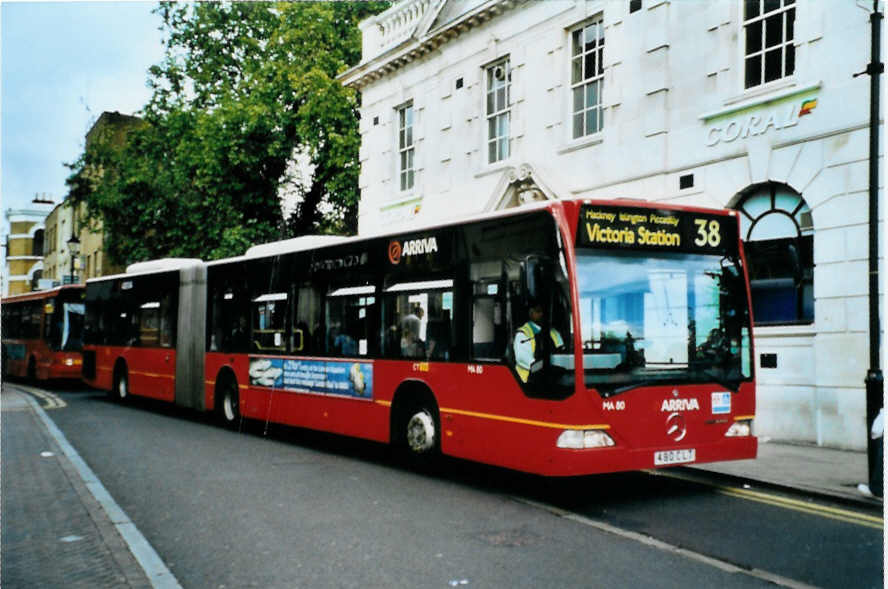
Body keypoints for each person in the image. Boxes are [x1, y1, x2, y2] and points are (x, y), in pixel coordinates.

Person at [513, 301, 564, 383]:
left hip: (552, 378)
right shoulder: (523, 333)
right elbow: (523, 359)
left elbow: (561, 353)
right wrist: (544, 366)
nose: (541, 314)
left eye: (543, 312)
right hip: (527, 381)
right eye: (538, 311)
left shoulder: (554, 332)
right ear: (531, 313)